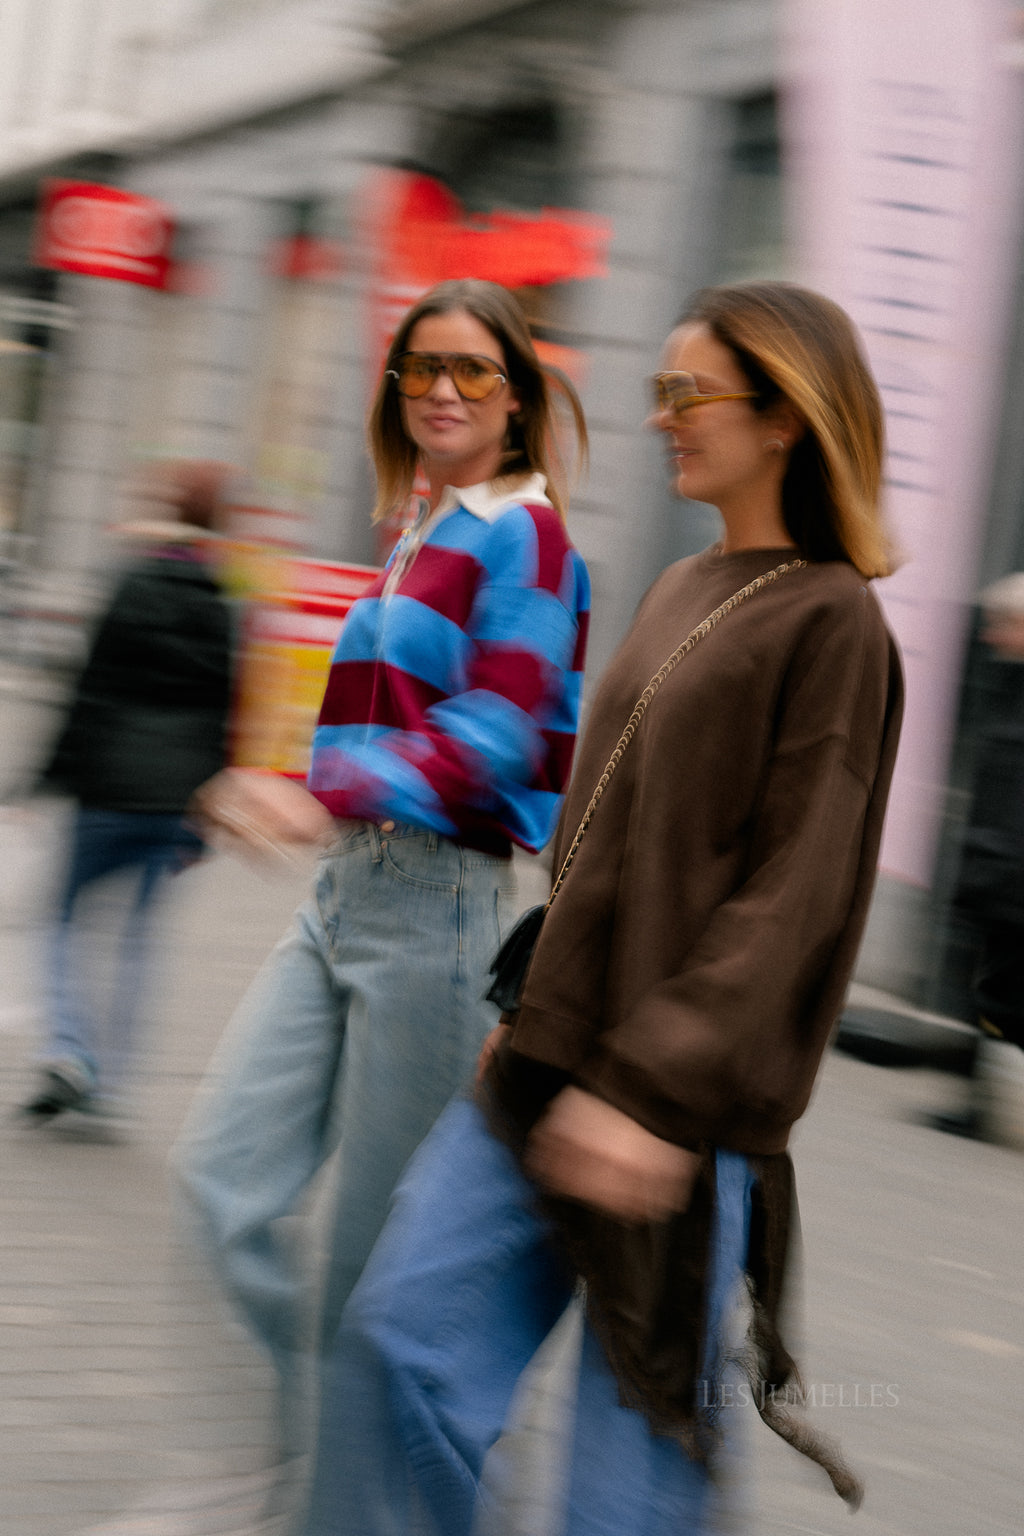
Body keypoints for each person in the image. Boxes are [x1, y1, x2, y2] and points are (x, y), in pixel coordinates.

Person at [307, 281, 905, 1536]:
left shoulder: (833, 620)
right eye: (659, 393)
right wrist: (534, 1003)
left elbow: (791, 902)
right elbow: (605, 841)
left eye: (687, 394)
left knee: (621, 1490)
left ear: (786, 414)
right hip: (545, 1059)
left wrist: (654, 1092)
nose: (660, 419)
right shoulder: (688, 579)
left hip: (668, 1112)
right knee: (395, 1345)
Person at [173, 279, 591, 1495]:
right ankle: (335, 1480)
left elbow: (506, 732)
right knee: (220, 1186)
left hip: (438, 913)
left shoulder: (529, 534)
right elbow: (386, 716)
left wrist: (329, 790)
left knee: (375, 1276)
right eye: (420, 370)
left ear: (515, 397)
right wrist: (285, 780)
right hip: (340, 899)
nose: (442, 392)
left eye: (470, 371)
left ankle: (372, 1505)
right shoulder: (424, 525)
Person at [20, 460, 235, 1123]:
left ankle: (70, 1048)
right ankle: (110, 1086)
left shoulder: (130, 584)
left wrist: (45, 778)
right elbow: (226, 716)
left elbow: (89, 691)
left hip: (107, 789)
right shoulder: (221, 606)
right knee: (139, 936)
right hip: (171, 801)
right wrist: (204, 819)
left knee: (60, 920)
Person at [926, 573, 1024, 1145]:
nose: (991, 636)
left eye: (1004, 625)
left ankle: (984, 1109)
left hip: (1007, 883)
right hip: (997, 878)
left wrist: (994, 876)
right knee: (992, 996)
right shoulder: (1005, 689)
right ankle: (979, 1104)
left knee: (1000, 999)